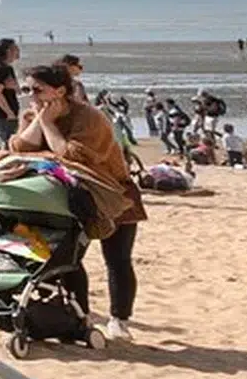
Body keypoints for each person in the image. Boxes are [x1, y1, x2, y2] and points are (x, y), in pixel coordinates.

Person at [9, 63, 146, 342]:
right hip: (70, 194)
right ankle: (78, 315)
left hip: (112, 192)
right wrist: (38, 119)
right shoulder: (31, 113)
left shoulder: (89, 117)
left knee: (117, 259)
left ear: (59, 91)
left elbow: (73, 155)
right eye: (27, 90)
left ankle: (119, 319)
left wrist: (48, 124)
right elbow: (20, 148)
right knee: (68, 257)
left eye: (37, 90)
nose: (31, 96)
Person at [0, 38, 22, 144]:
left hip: (6, 113)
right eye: (15, 48)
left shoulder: (4, 68)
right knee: (10, 143)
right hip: (4, 114)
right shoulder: (0, 68)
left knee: (11, 142)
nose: (18, 50)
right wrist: (9, 113)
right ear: (8, 51)